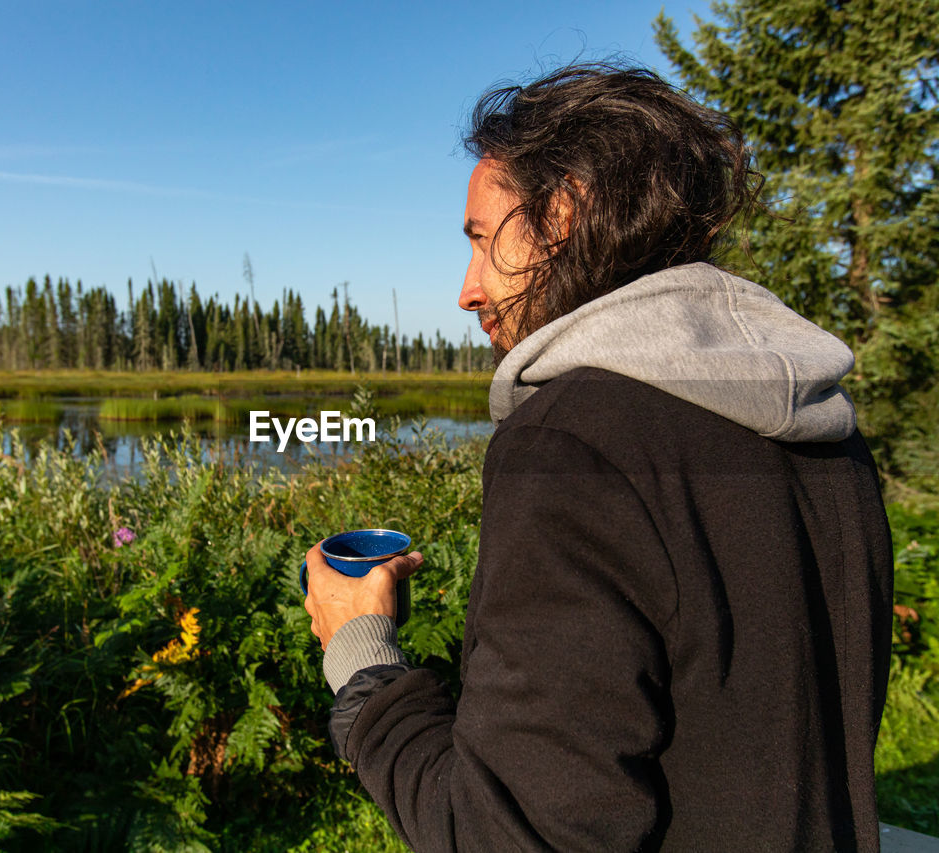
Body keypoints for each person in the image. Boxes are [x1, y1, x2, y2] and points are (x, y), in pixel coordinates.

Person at [303, 62, 893, 852]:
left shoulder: (572, 445)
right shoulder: (823, 422)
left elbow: (505, 832)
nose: (468, 289)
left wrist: (362, 657)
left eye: (482, 240)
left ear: (564, 216)